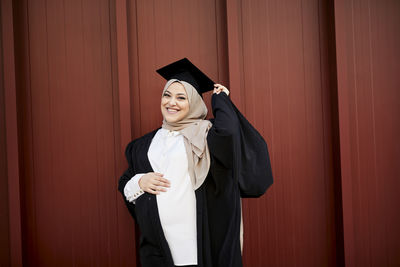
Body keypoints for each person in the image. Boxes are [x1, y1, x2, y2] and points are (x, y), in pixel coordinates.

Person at [118, 58, 273, 267]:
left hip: (199, 245)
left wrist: (220, 99)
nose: (171, 102)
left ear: (194, 103)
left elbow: (229, 133)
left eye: (181, 97)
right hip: (159, 248)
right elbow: (125, 182)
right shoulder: (143, 145)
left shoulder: (206, 136)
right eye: (167, 95)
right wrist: (139, 182)